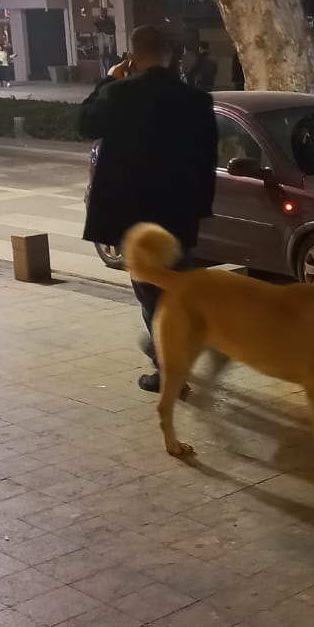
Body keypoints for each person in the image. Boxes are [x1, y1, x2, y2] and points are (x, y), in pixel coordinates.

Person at [79, 24, 217, 394]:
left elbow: (85, 123)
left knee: (150, 291)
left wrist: (107, 81)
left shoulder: (120, 95)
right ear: (170, 53)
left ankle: (167, 364)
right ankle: (172, 351)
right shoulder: (196, 101)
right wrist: (200, 210)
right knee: (174, 287)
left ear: (133, 54)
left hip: (134, 216)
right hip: (179, 214)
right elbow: (207, 161)